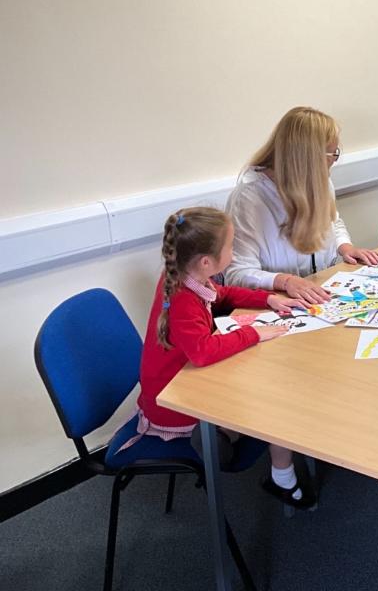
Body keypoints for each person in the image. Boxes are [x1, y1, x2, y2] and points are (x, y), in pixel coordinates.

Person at [121, 207, 317, 507]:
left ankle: (229, 434)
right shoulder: (184, 299)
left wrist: (267, 298)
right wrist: (255, 334)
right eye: (230, 245)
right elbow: (202, 352)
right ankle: (270, 470)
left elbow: (222, 294)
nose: (234, 250)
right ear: (206, 261)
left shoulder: (186, 276)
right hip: (172, 400)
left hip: (182, 380)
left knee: (266, 384)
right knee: (276, 397)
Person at [224, 106, 378, 304]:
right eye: (331, 154)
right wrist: (285, 281)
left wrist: (345, 247)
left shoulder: (320, 183)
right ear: (309, 159)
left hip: (318, 295)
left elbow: (333, 221)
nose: (334, 161)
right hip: (271, 304)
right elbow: (237, 273)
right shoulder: (250, 199)